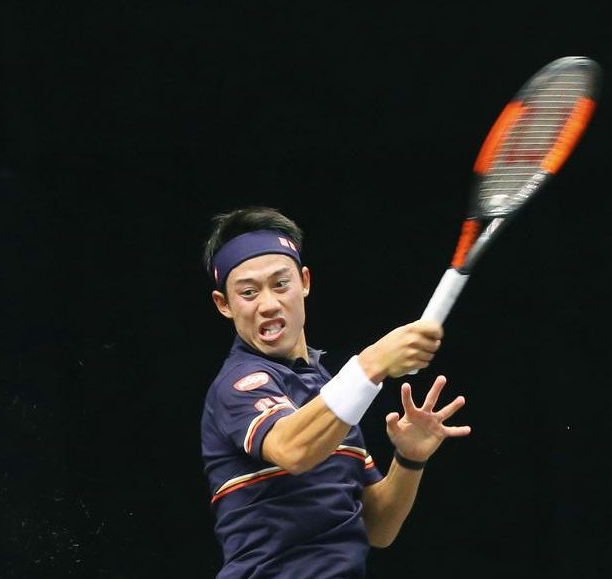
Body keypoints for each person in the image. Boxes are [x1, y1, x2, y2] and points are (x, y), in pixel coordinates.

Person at [200, 206, 471, 578]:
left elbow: (378, 528)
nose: (268, 304)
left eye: (281, 284)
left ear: (304, 282)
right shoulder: (238, 383)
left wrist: (409, 459)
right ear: (224, 305)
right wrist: (372, 363)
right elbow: (293, 450)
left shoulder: (329, 393)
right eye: (248, 292)